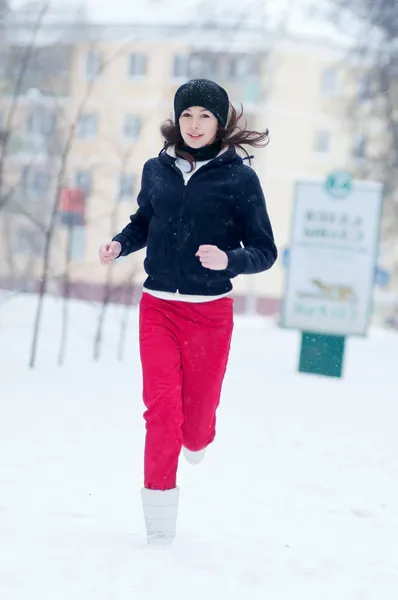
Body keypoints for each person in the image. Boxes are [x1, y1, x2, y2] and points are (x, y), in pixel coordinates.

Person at [99, 78, 278, 545]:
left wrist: (229, 259)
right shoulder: (155, 170)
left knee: (194, 430)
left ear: (220, 122)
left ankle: (198, 438)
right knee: (161, 412)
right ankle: (159, 528)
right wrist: (120, 243)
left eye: (204, 116)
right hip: (157, 307)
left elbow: (265, 250)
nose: (194, 125)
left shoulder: (240, 178)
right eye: (186, 116)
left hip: (209, 316)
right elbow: (144, 221)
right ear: (176, 120)